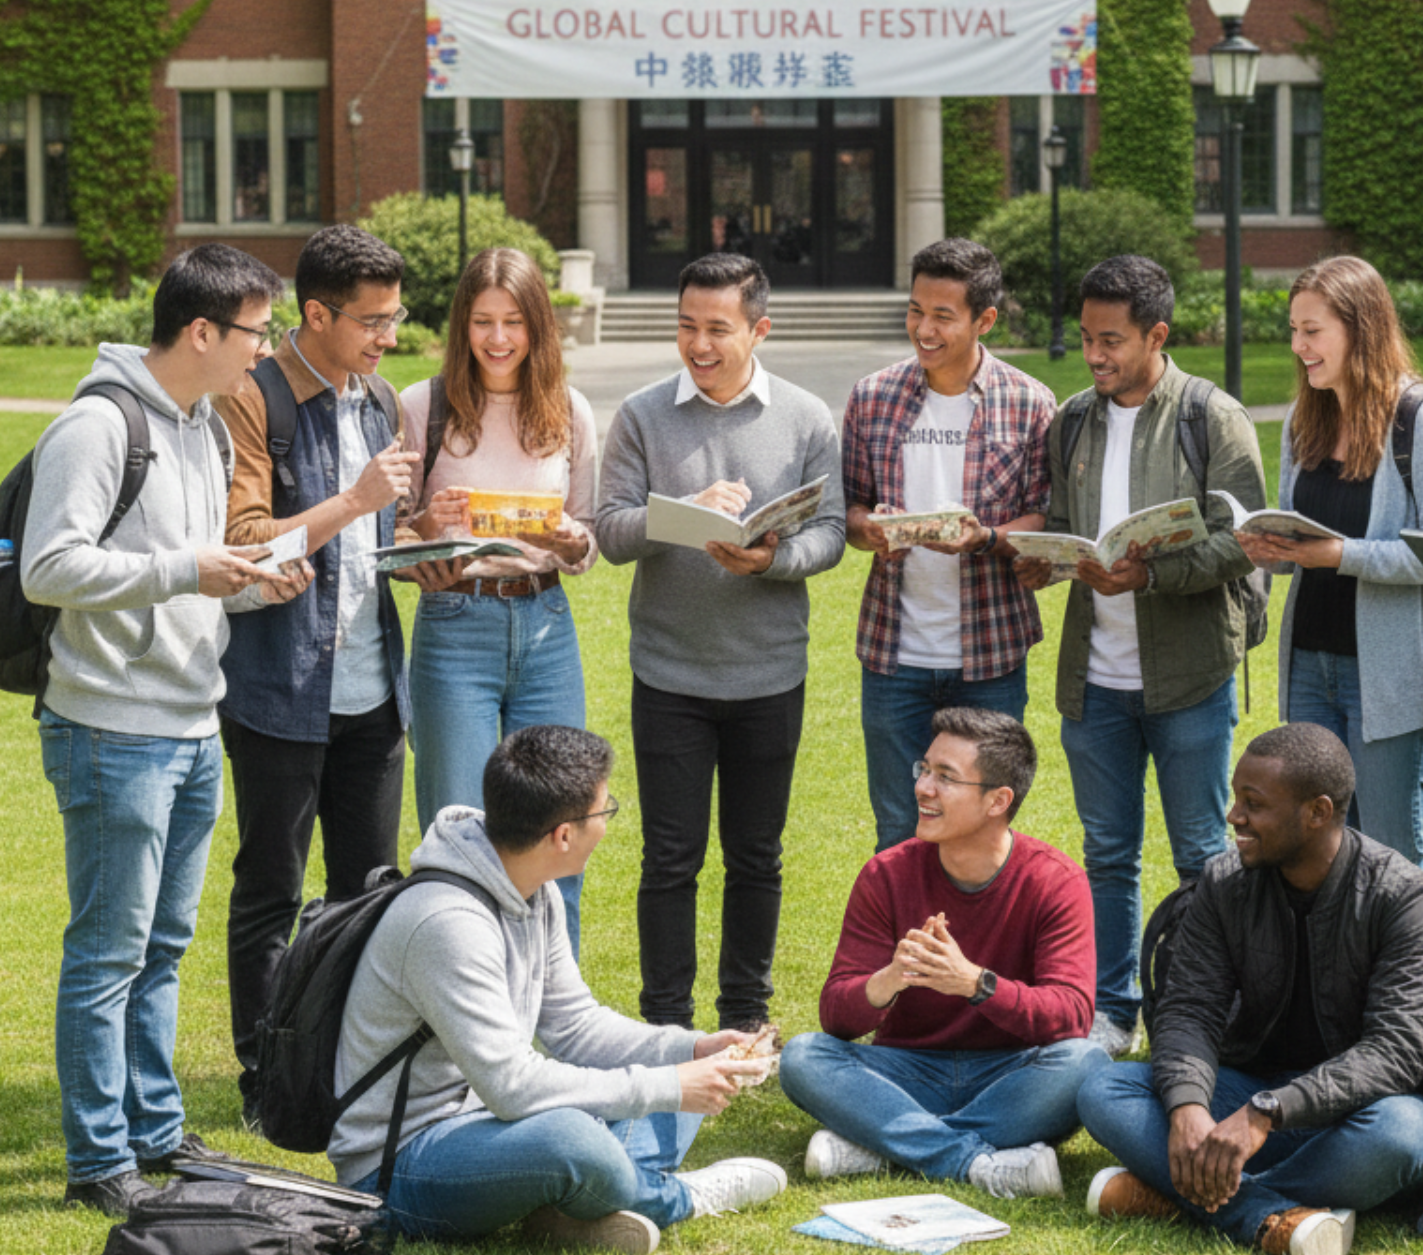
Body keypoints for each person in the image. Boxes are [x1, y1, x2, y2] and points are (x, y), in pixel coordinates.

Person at [21, 243, 311, 1217]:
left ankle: (154, 1129)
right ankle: (99, 1155)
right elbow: (48, 567)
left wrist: (248, 576)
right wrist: (190, 569)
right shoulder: (98, 425)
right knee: (109, 949)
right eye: (256, 333)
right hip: (111, 726)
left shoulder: (203, 429)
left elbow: (195, 566)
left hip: (191, 721)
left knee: (164, 944)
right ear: (201, 331)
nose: (262, 351)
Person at [329, 725, 788, 1251]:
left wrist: (691, 1050)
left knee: (668, 1085)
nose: (608, 825)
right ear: (563, 835)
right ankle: (677, 1196)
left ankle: (579, 1202)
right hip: (402, 1163)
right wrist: (669, 1084)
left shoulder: (531, 886)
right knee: (574, 1138)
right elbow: (512, 1086)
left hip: (492, 1125)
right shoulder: (445, 923)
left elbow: (574, 1024)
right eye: (604, 811)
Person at [1014, 254, 1266, 1059]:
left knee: (1202, 852)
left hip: (1188, 673)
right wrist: (1043, 558)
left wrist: (1151, 572)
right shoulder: (1075, 419)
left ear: (1157, 335)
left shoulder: (1211, 415)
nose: (1094, 355)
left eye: (1112, 340)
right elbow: (1063, 518)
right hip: (1096, 679)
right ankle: (1113, 1006)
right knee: (1108, 853)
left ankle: (1199, 1008)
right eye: (1088, 338)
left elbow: (1247, 539)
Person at [1077, 724, 1423, 1255]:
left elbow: (1396, 1052)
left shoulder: (1405, 900)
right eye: (1236, 799)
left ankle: (1173, 1189)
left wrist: (1266, 1114)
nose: (1235, 817)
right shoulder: (1224, 883)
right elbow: (1189, 1011)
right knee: (1103, 1091)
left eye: (1253, 804)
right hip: (1241, 1087)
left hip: (1349, 1112)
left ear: (1317, 812)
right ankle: (1267, 1215)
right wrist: (1187, 1109)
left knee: (1407, 1135)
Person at [592, 253, 845, 1031]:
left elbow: (831, 533)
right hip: (669, 674)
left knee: (755, 856)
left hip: (770, 673)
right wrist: (682, 511)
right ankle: (666, 1020)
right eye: (686, 326)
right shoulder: (640, 415)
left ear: (758, 330)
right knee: (670, 857)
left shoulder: (806, 417)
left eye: (717, 330)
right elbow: (610, 532)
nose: (698, 345)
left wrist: (773, 559)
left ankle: (744, 1014)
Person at [212, 225, 415, 1129]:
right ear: (316, 314)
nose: (387, 339)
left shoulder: (373, 399)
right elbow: (245, 539)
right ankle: (267, 1080)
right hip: (279, 687)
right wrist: (357, 502)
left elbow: (372, 546)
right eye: (371, 321)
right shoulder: (254, 398)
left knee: (368, 890)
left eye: (395, 319)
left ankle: (342, 1068)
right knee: (271, 891)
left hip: (373, 685)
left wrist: (420, 532)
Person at [780, 708, 1107, 1199]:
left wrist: (976, 984)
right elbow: (836, 1017)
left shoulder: (1055, 881)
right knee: (803, 1056)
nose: (923, 788)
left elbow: (1071, 1018)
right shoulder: (886, 875)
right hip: (905, 1070)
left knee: (1086, 1063)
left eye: (946, 777)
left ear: (999, 800)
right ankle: (974, 1160)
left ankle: (881, 1146)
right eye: (925, 769)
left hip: (1011, 1073)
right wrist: (888, 979)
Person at [394, 247, 600, 956]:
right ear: (462, 325)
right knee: (459, 831)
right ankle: (459, 1015)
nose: (498, 338)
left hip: (545, 624)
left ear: (537, 325)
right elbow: (387, 538)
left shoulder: (569, 410)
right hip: (455, 626)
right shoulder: (423, 405)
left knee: (560, 826)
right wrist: (426, 531)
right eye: (483, 321)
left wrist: (572, 538)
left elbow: (589, 537)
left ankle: (554, 1016)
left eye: (513, 320)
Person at [1234, 256, 1423, 870]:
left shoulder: (1422, 420)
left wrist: (1341, 555)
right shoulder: (1302, 417)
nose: (1298, 346)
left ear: (1360, 328)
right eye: (1293, 330)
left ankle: (1406, 970)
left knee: (1390, 854)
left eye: (1312, 331)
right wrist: (1269, 549)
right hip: (1310, 664)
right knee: (1314, 848)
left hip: (1388, 675)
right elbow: (1298, 538)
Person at [842, 238, 1056, 852]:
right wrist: (871, 529)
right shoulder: (873, 396)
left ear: (984, 320)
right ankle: (907, 951)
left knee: (985, 827)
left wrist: (986, 537)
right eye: (915, 311)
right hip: (894, 655)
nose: (923, 329)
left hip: (989, 657)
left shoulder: (1030, 402)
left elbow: (1045, 515)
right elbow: (850, 508)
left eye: (942, 316)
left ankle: (971, 952)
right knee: (898, 830)